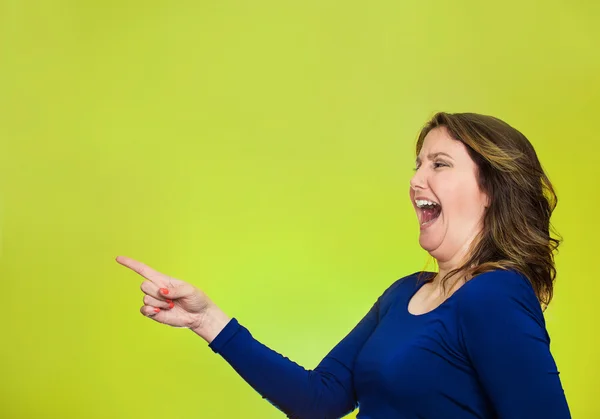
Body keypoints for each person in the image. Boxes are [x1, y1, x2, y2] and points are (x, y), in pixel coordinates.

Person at [116, 112, 571, 418]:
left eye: (440, 164)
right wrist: (206, 319)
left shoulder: (495, 295)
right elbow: (321, 398)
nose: (416, 180)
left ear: (490, 190)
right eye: (417, 165)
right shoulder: (404, 293)